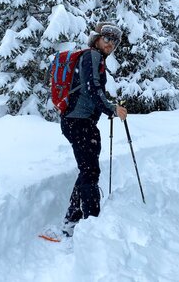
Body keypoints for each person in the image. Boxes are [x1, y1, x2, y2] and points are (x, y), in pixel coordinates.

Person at [60, 22, 127, 237]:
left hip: (79, 122)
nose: (110, 44)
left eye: (114, 41)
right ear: (97, 38)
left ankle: (73, 219)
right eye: (107, 38)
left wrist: (106, 109)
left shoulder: (94, 58)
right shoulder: (92, 56)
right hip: (79, 122)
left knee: (88, 170)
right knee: (90, 171)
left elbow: (92, 90)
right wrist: (112, 109)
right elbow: (92, 89)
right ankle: (91, 223)